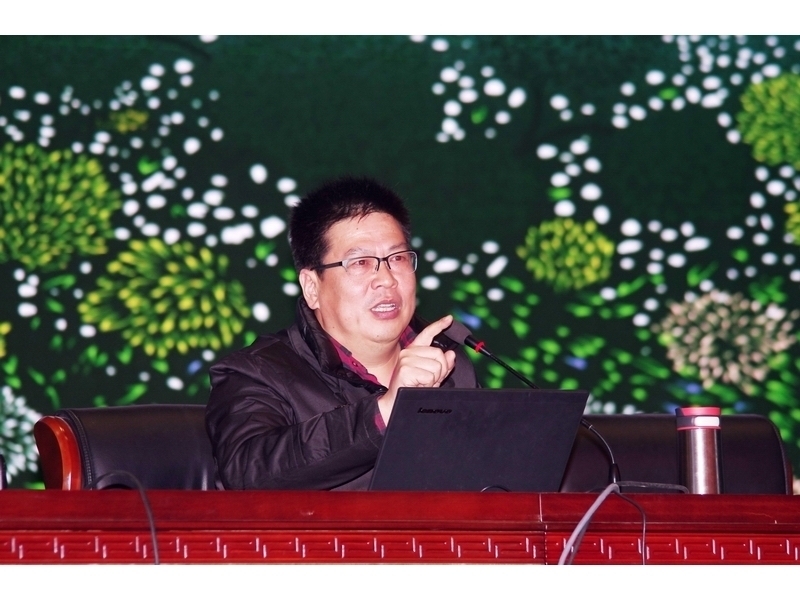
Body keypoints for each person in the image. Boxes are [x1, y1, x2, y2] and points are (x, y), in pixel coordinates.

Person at [205, 176, 478, 490]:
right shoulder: (256, 373)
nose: (387, 279)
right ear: (312, 287)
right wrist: (385, 411)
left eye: (397, 258)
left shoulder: (449, 363)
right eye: (360, 262)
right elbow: (248, 474)